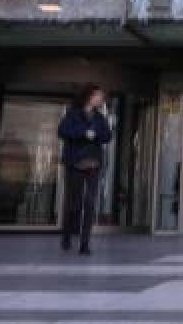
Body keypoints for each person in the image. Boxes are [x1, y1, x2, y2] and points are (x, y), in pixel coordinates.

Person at [57, 84, 111, 255]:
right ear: (90, 96)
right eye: (99, 96)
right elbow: (62, 131)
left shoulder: (100, 117)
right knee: (74, 203)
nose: (101, 99)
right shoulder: (73, 114)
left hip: (93, 164)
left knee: (89, 203)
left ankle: (84, 244)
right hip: (75, 164)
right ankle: (67, 236)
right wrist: (83, 133)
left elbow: (108, 136)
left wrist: (97, 135)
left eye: (102, 97)